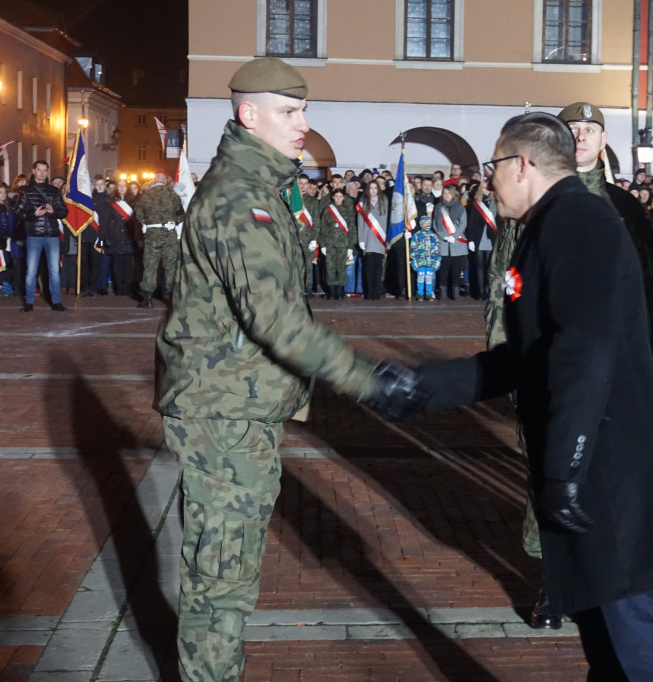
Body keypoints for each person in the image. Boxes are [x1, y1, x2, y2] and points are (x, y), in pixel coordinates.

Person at [412, 112, 653, 681]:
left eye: (493, 166)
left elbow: (584, 350)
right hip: (592, 471)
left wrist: (566, 469)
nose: (488, 180)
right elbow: (526, 358)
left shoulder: (578, 222)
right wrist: (419, 389)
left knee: (643, 651)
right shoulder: (552, 223)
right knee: (608, 649)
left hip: (612, 472)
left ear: (522, 164)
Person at [154, 57, 421, 682]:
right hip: (224, 413)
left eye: (302, 110)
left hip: (235, 407)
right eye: (290, 111)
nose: (304, 123)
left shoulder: (256, 191)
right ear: (250, 115)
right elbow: (275, 321)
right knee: (220, 584)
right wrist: (367, 382)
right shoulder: (240, 201)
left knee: (227, 574)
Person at [557, 101, 653, 366]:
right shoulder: (534, 199)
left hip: (611, 345)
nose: (580, 137)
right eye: (572, 128)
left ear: (603, 139)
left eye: (590, 130)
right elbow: (505, 282)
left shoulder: (624, 205)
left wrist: (649, 353)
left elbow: (647, 281)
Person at [15, 160, 69, 312]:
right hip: (34, 235)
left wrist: (54, 212)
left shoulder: (54, 190)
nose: (42, 173)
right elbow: (18, 211)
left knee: (54, 271)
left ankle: (56, 301)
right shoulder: (25, 190)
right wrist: (34, 214)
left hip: (52, 234)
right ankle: (29, 302)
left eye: (45, 170)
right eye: (39, 170)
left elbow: (64, 212)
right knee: (31, 270)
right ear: (33, 171)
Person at [134, 168, 184, 308]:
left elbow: (138, 215)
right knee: (171, 266)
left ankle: (147, 299)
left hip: (152, 235)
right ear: (166, 179)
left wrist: (147, 224)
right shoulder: (173, 195)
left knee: (150, 266)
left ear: (155, 178)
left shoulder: (145, 195)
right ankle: (170, 297)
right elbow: (181, 215)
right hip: (169, 234)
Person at [95, 179, 137, 296]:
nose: (122, 188)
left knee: (128, 266)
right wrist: (103, 237)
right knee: (116, 266)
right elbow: (105, 221)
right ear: (117, 188)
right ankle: (118, 289)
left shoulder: (134, 202)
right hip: (115, 238)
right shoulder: (110, 203)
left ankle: (126, 288)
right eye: (120, 186)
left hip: (129, 237)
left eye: (124, 186)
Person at [320, 188, 356, 300]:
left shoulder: (348, 211)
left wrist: (350, 246)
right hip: (329, 242)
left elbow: (352, 229)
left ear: (344, 198)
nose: (338, 199)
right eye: (336, 196)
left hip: (343, 242)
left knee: (341, 267)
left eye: (341, 196)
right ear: (332, 197)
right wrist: (323, 245)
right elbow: (322, 228)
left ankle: (340, 292)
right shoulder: (327, 210)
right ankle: (331, 292)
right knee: (330, 267)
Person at [355, 180, 389, 300]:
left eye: (375, 188)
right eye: (371, 188)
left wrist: (386, 239)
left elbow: (386, 221)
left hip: (380, 240)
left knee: (378, 268)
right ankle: (369, 293)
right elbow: (360, 222)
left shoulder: (384, 201)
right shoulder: (363, 202)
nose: (373, 190)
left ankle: (376, 292)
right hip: (368, 239)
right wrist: (361, 240)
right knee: (368, 268)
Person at [433, 184, 467, 299]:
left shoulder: (460, 206)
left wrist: (454, 236)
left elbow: (463, 223)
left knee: (456, 269)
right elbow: (435, 224)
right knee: (443, 269)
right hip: (443, 243)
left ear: (454, 194)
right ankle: (443, 293)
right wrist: (443, 236)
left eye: (448, 193)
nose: (446, 195)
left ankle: (455, 293)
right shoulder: (438, 207)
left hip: (457, 242)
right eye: (444, 193)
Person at [464, 181, 497, 300]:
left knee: (489, 265)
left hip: (491, 238)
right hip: (479, 238)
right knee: (479, 265)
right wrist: (471, 240)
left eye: (488, 188)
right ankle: (480, 290)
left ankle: (488, 288)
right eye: (483, 188)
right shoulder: (475, 204)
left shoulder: (495, 203)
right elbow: (471, 223)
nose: (486, 190)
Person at [410, 213, 441, 300]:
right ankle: (420, 294)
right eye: (424, 224)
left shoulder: (434, 236)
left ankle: (429, 294)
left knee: (429, 278)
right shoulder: (416, 236)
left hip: (430, 262)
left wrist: (438, 260)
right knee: (420, 278)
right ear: (421, 224)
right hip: (420, 261)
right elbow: (413, 248)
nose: (426, 225)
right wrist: (413, 260)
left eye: (428, 224)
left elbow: (437, 249)